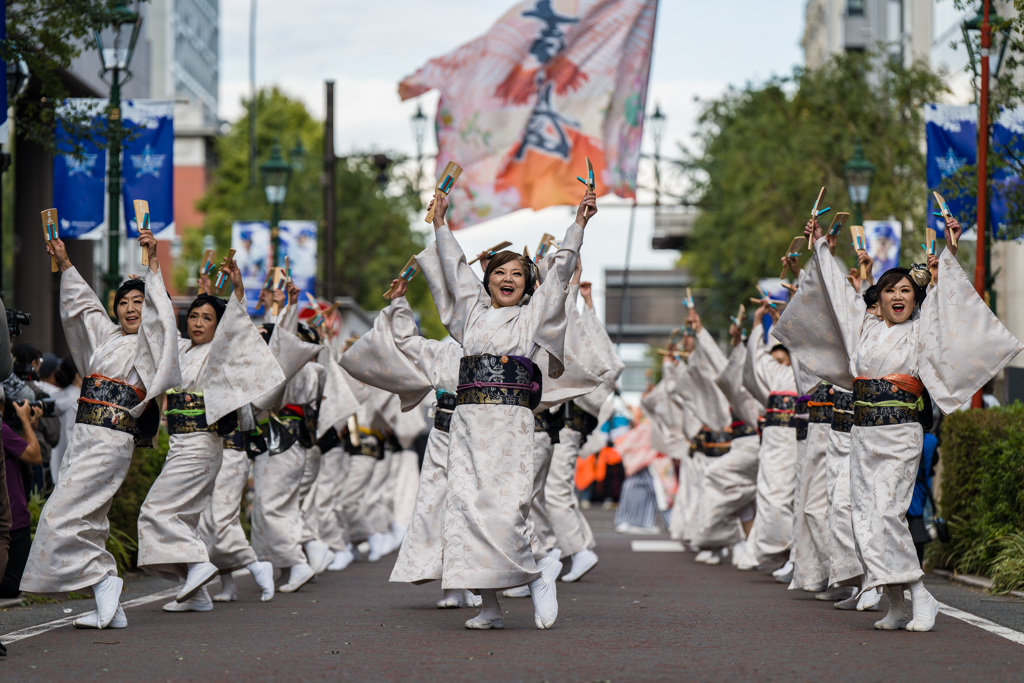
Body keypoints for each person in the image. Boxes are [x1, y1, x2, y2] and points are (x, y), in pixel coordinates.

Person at [774, 214, 1022, 632]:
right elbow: (838, 296)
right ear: (880, 297)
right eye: (890, 290)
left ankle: (921, 595)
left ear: (915, 297)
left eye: (906, 289)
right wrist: (819, 247)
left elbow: (946, 305)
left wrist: (949, 252)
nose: (898, 295)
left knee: (886, 515)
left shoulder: (921, 331)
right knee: (864, 519)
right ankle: (897, 604)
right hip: (863, 434)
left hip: (900, 433)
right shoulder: (865, 328)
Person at [414, 189, 595, 630]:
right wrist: (440, 224)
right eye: (499, 272)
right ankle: (491, 607)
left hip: (511, 424)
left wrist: (579, 225)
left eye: (517, 273)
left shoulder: (533, 317)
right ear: (488, 280)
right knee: (468, 510)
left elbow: (560, 273)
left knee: (506, 509)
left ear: (528, 284)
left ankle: (538, 572)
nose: (508, 278)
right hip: (468, 423)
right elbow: (455, 269)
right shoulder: (471, 315)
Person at [21, 227, 182, 631]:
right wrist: (65, 262)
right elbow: (84, 307)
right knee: (88, 517)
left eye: (138, 301)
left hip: (112, 438)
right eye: (123, 302)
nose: (130, 308)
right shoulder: (108, 338)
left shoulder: (151, 342)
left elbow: (163, 319)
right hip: (85, 435)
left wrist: (153, 262)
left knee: (60, 513)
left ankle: (103, 577)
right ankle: (109, 604)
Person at [136, 257, 283, 614]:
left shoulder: (220, 354)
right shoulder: (181, 350)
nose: (198, 322)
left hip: (202, 444)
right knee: (185, 518)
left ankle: (199, 564)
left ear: (218, 327)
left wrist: (237, 289)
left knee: (155, 512)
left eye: (207, 318)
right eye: (194, 316)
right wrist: (151, 275)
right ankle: (198, 595)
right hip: (181, 445)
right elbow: (161, 325)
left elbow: (235, 327)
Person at [0, 389, 42, 598]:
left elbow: (23, 450)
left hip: (11, 514)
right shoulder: (2, 429)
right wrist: (25, 420)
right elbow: (34, 456)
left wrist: (29, 426)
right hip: (12, 518)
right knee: (14, 583)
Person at [48, 357, 82, 483]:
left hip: (53, 462)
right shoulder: (79, 402)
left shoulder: (55, 397)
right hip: (72, 467)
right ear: (78, 376)